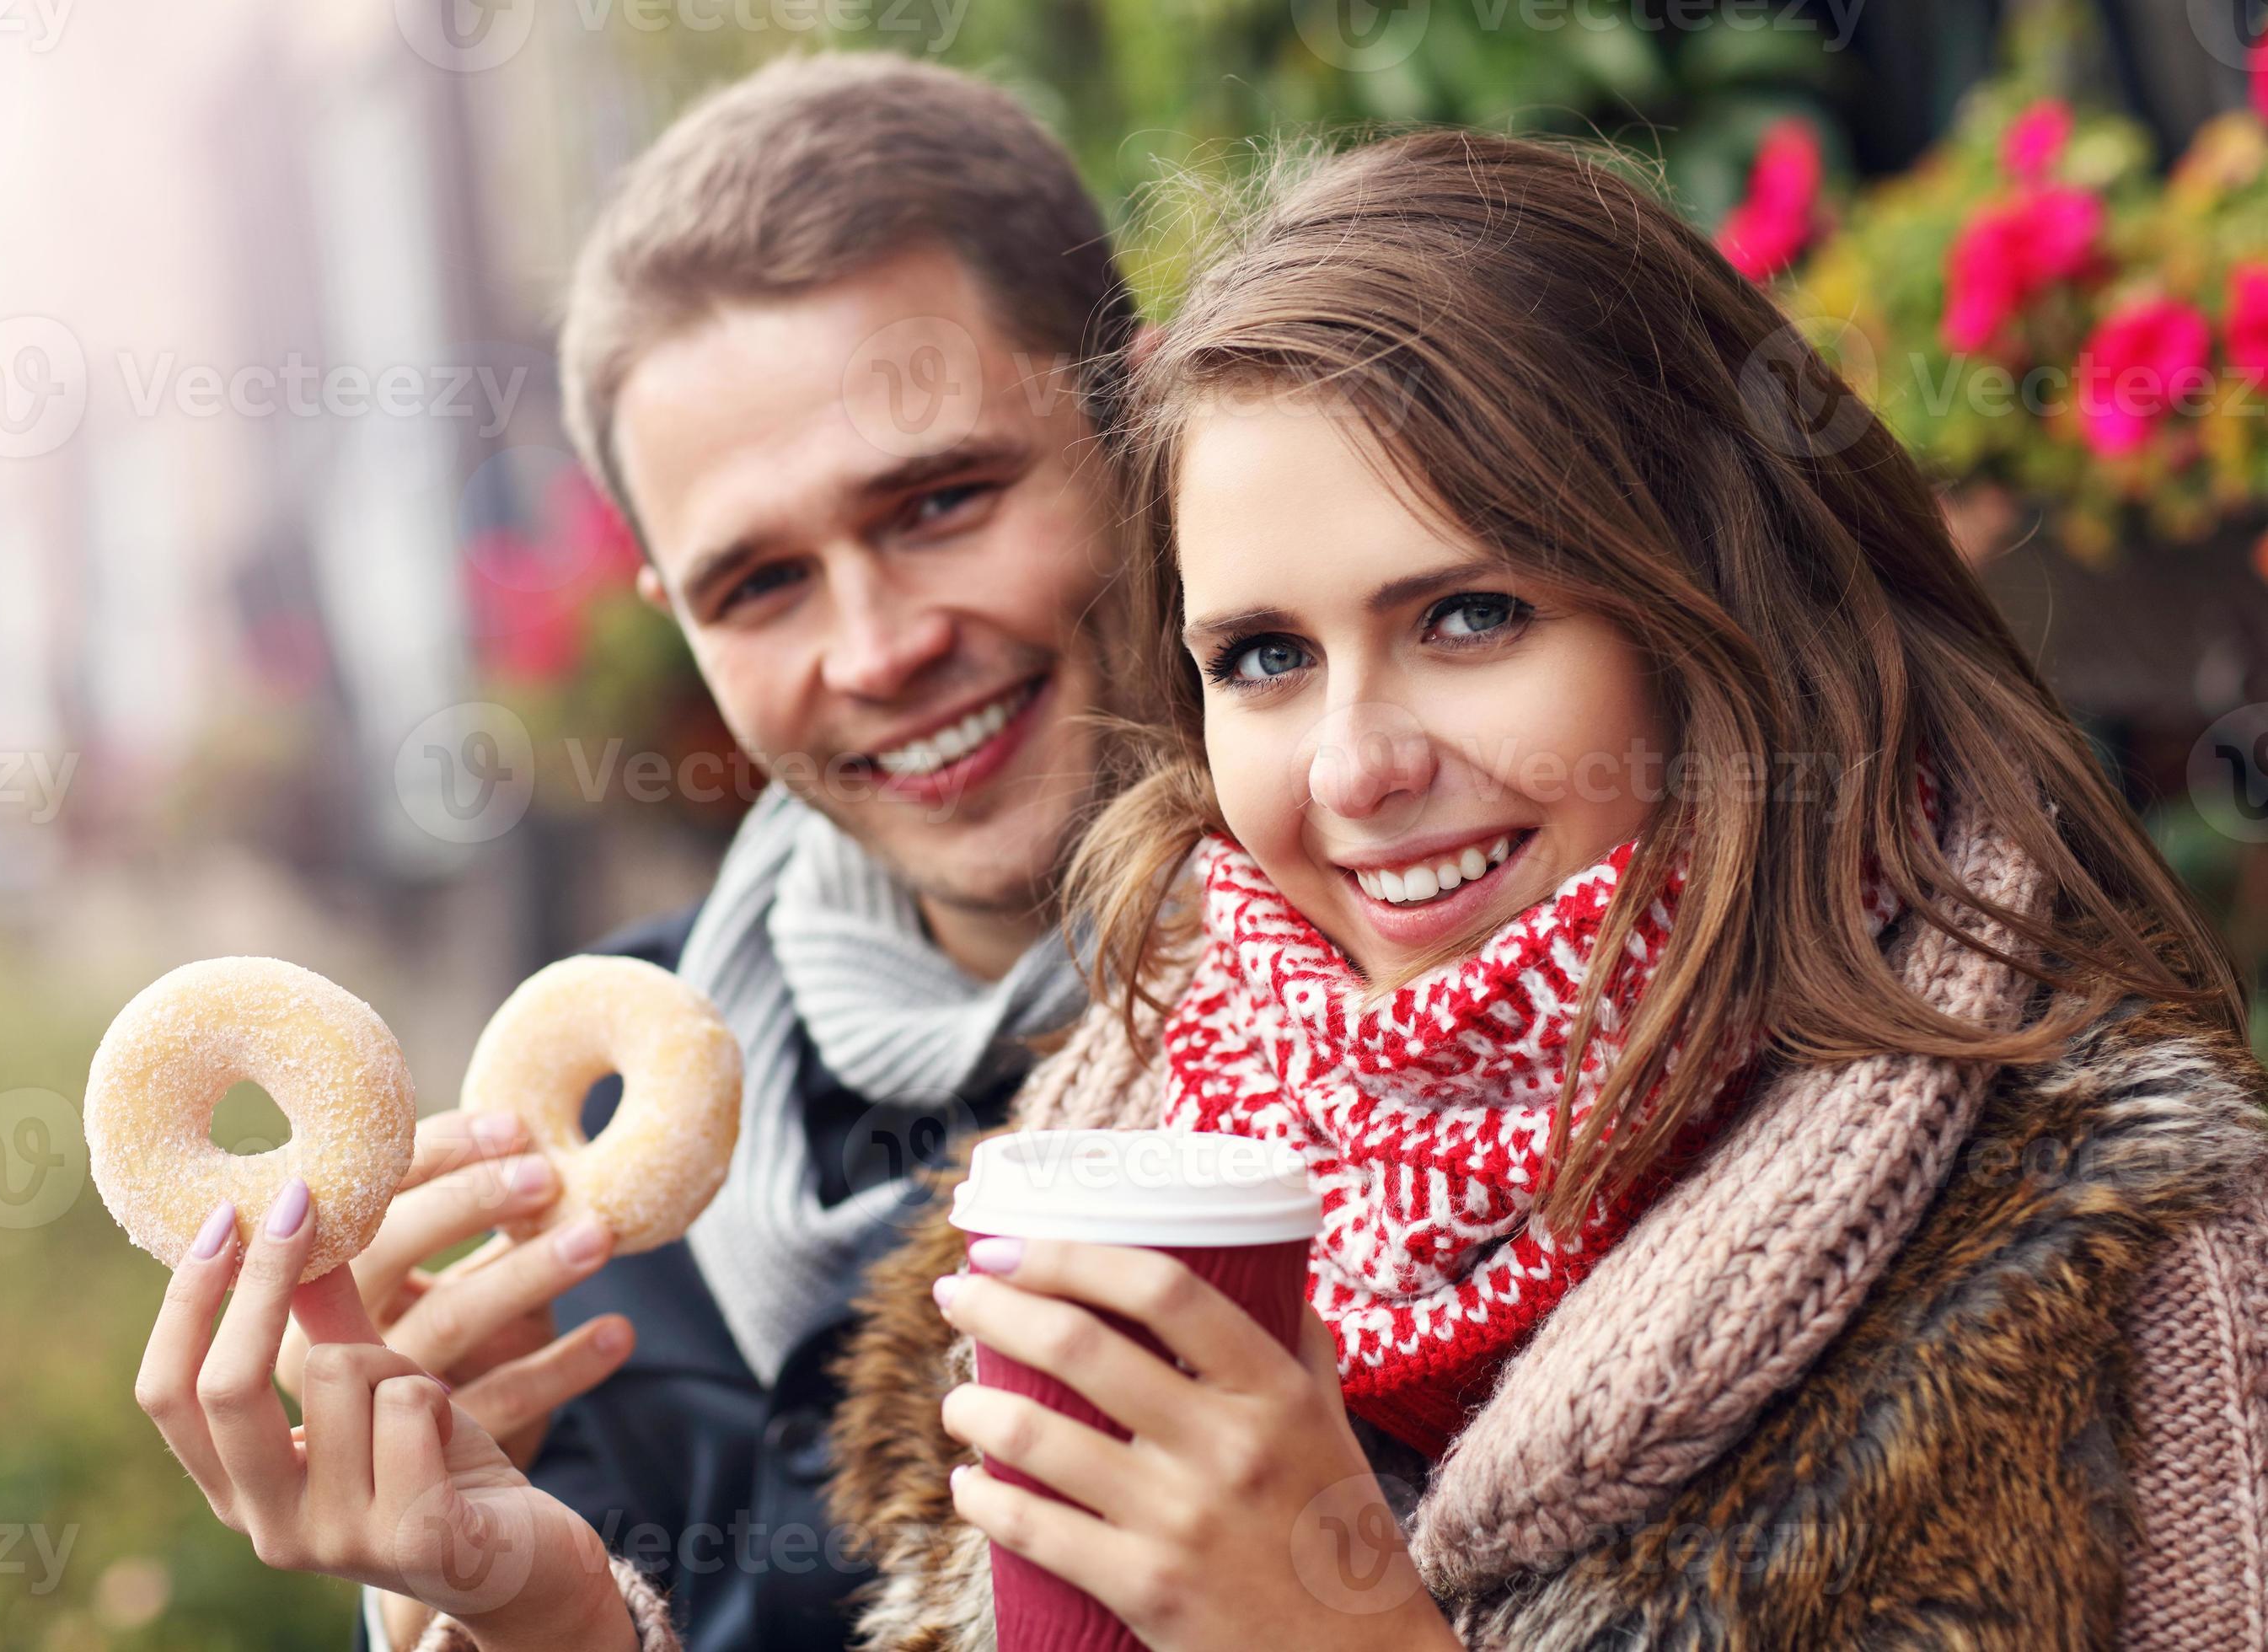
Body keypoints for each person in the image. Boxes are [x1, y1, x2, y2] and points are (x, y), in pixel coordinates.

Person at [140, 126, 2268, 1650]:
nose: (1350, 761)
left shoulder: (2109, 1214)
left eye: (1471, 614)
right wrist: (528, 1606)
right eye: (1265, 655)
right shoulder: (1112, 1122)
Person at [137, 51, 1137, 1652]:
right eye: (762, 586)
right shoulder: (577, 1199)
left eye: (943, 500)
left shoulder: (1431, 985)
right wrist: (501, 1603)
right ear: (675, 617)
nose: (875, 648)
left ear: (1132, 418)